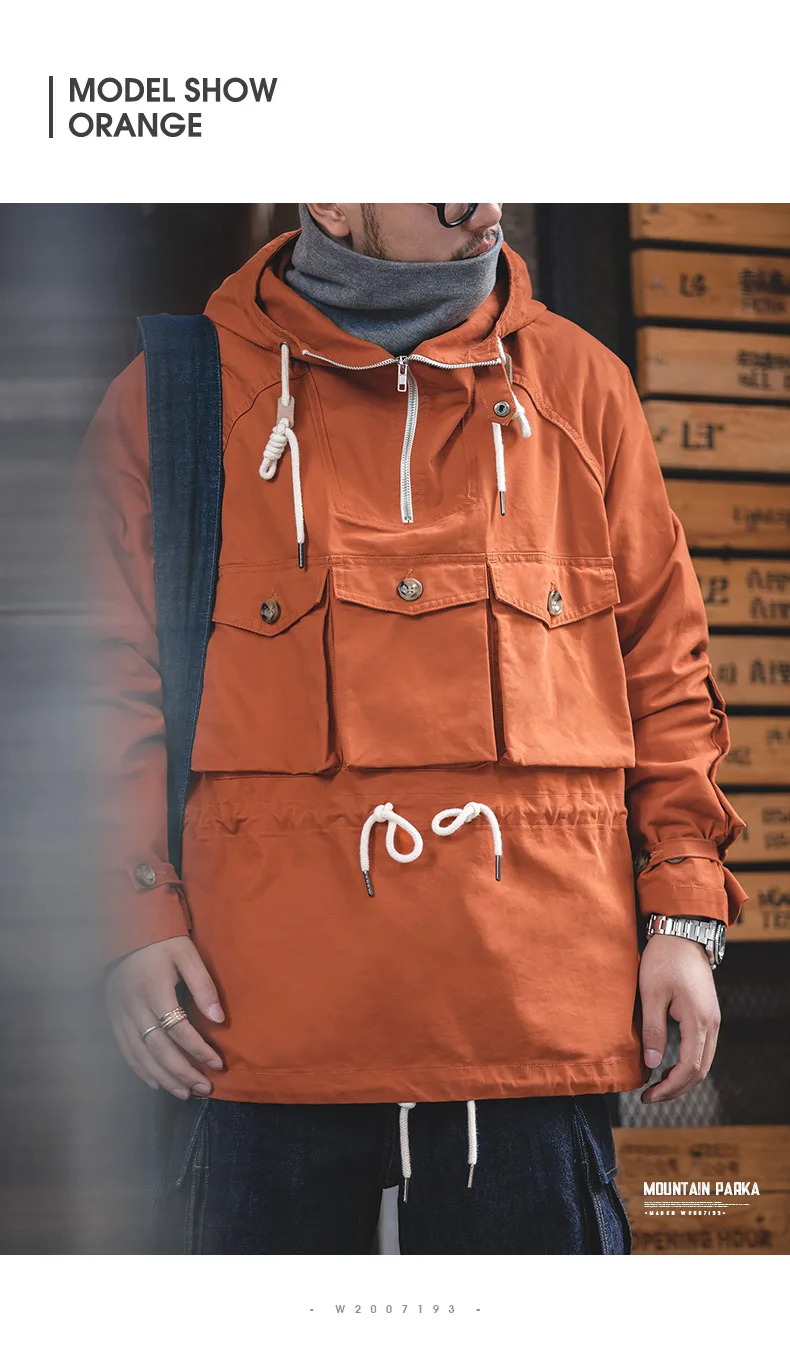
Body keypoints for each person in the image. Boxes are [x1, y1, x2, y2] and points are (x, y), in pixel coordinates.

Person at [78, 203, 748, 1255]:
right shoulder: (172, 400)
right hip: (260, 1026)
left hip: (532, 1026)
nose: (481, 206)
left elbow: (663, 670)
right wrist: (131, 918)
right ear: (335, 199)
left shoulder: (583, 386)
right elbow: (99, 679)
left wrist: (684, 915)